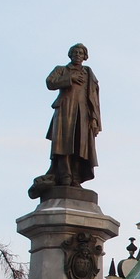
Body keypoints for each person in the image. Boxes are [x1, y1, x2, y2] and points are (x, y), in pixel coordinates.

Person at [30, 43, 101, 198]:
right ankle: (65, 175)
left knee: (80, 146)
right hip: (65, 110)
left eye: (81, 53)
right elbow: (50, 83)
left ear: (85, 56)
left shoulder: (88, 73)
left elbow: (94, 98)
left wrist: (95, 119)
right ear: (70, 54)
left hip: (83, 114)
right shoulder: (61, 69)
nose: (77, 54)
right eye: (74, 52)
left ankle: (75, 177)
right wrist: (70, 78)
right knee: (63, 144)